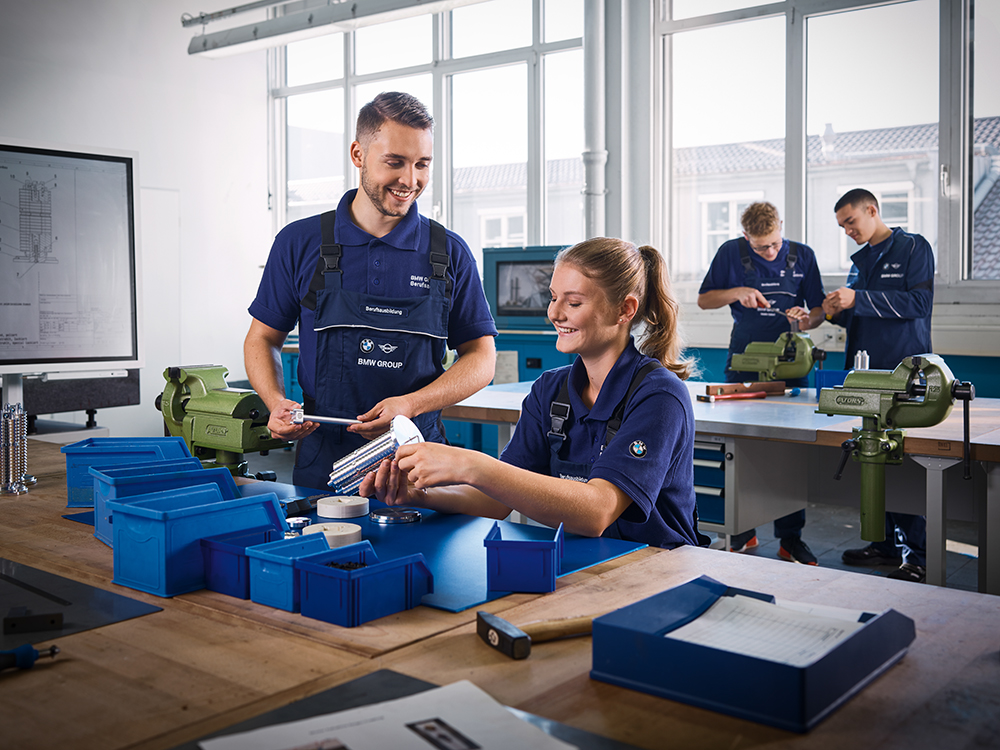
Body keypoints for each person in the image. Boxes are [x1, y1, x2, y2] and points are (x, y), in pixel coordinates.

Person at [359, 237, 707, 550]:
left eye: (574, 303)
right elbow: (496, 501)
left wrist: (472, 464)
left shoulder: (660, 396)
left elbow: (598, 511)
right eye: (553, 298)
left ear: (624, 310)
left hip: (657, 571)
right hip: (583, 566)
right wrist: (424, 495)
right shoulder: (550, 391)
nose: (554, 313)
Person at [245, 92, 498, 490]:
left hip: (420, 468)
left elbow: (482, 358)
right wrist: (276, 402)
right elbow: (263, 337)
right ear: (358, 154)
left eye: (422, 164)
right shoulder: (299, 242)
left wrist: (410, 406)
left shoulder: (449, 252)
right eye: (394, 162)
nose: (410, 180)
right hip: (322, 468)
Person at [697, 201, 826, 565]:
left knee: (790, 448)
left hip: (790, 358)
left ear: (781, 228)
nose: (769, 251)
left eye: (773, 244)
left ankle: (791, 539)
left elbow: (818, 312)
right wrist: (736, 292)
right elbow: (704, 300)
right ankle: (740, 532)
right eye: (760, 247)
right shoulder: (730, 254)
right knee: (737, 443)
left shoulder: (803, 255)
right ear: (745, 237)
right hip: (744, 359)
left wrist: (806, 319)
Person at [825, 188, 934, 584]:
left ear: (872, 210)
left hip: (904, 375)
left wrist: (859, 298)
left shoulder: (913, 248)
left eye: (851, 221)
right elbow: (861, 315)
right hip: (865, 376)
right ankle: (886, 546)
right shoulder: (861, 261)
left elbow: (918, 305)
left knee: (903, 465)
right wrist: (832, 312)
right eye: (842, 226)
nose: (848, 231)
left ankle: (917, 556)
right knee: (875, 461)